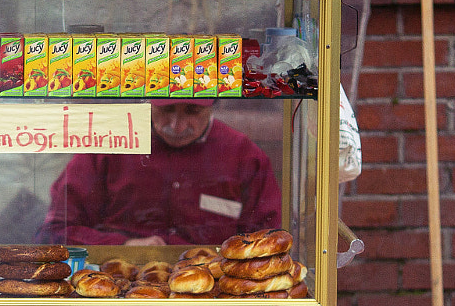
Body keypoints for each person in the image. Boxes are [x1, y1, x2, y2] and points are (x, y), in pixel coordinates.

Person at [36, 100, 281, 246]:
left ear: (213, 105)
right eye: (166, 109)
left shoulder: (245, 156)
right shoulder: (107, 146)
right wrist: (123, 246)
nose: (177, 126)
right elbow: (55, 231)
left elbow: (267, 241)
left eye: (193, 112)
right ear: (147, 102)